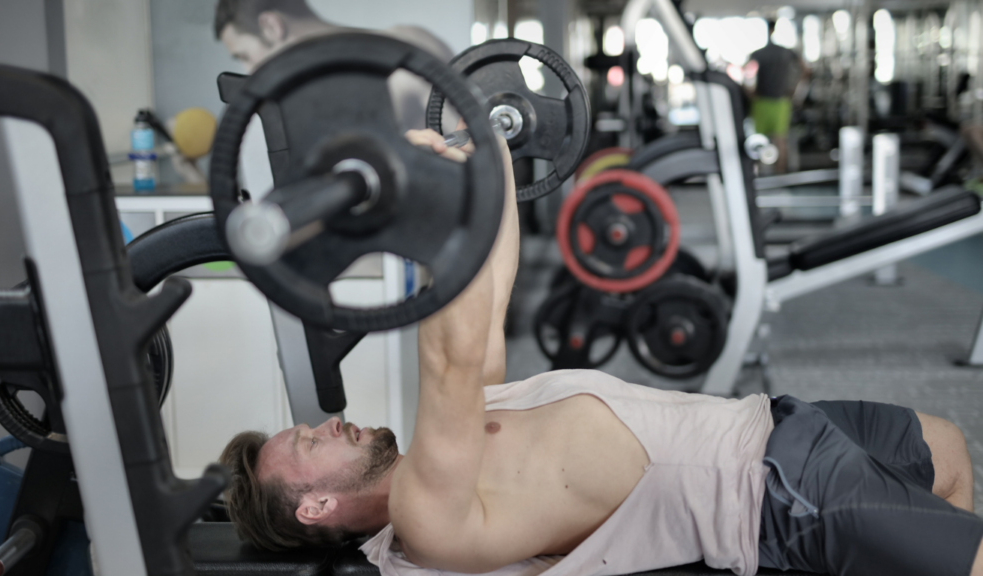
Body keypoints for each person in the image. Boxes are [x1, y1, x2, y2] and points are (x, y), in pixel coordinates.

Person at [218, 122, 983, 575]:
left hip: (772, 425)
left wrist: (492, 158)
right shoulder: (426, 513)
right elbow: (446, 358)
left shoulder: (449, 447)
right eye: (307, 444)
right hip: (775, 492)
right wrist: (428, 206)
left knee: (944, 448)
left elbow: (485, 307)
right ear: (317, 506)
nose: (327, 424)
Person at [214, 0, 453, 131]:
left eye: (244, 56)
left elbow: (483, 149)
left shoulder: (407, 49)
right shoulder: (414, 36)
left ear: (271, 26)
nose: (249, 71)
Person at [746, 19, 810, 174]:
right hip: (780, 100)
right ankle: (778, 175)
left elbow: (746, 74)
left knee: (760, 140)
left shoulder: (759, 53)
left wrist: (749, 93)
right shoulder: (786, 52)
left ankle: (759, 175)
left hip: (762, 101)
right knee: (779, 140)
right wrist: (794, 89)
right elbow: (806, 70)